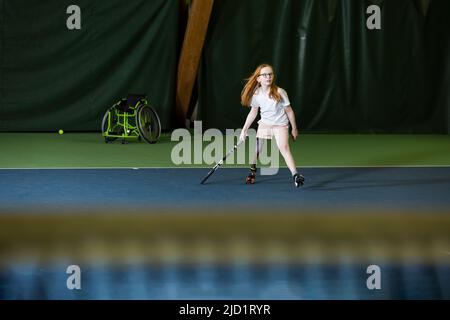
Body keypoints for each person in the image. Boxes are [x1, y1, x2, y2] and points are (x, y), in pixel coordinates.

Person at [239, 63, 305, 187]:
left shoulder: (280, 92)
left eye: (270, 74)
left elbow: (289, 110)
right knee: (257, 150)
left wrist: (294, 128)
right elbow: (253, 112)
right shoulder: (256, 94)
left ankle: (296, 175)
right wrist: (244, 130)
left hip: (280, 125)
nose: (268, 77)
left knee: (284, 148)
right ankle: (252, 173)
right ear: (258, 78)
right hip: (265, 124)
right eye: (264, 75)